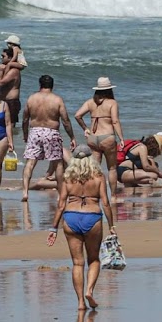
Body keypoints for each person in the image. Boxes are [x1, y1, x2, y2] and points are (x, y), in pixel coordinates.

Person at [47, 145, 116, 311]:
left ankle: (80, 303)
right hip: (92, 218)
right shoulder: (99, 177)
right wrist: (112, 225)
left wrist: (53, 228)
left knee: (77, 263)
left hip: (71, 218)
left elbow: (61, 204)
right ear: (91, 159)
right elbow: (105, 203)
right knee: (93, 259)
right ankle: (89, 291)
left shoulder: (68, 178)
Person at [21, 75, 76, 201]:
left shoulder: (31, 98)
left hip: (34, 131)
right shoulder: (57, 100)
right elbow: (66, 120)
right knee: (57, 164)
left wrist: (25, 134)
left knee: (30, 162)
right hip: (51, 132)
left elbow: (25, 119)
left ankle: (25, 192)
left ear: (39, 85)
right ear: (52, 85)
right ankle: (61, 194)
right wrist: (72, 137)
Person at [74, 77, 125, 198]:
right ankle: (112, 196)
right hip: (107, 137)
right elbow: (115, 121)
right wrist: (121, 138)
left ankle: (93, 195)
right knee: (112, 168)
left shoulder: (90, 102)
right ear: (109, 90)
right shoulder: (112, 103)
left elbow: (77, 115)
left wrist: (85, 128)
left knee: (95, 170)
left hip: (93, 138)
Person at [0, 35, 27, 130]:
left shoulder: (14, 70)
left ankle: (11, 143)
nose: (1, 58)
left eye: (3, 56)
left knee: (9, 127)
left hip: (11, 102)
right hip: (4, 101)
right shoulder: (8, 67)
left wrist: (3, 71)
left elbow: (0, 83)